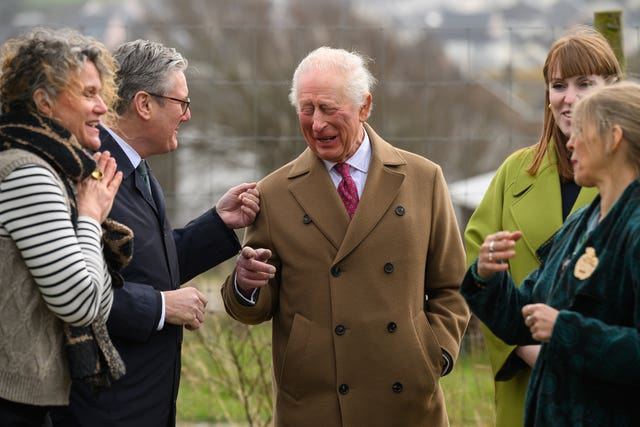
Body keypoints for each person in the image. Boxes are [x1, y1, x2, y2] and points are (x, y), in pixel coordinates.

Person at [221, 46, 470, 427]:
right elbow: (255, 307)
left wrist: (435, 355)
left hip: (407, 400)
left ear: (364, 106)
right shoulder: (273, 192)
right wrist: (245, 283)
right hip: (315, 403)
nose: (317, 124)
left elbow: (452, 286)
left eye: (329, 108)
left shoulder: (423, 178)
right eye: (306, 109)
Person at [50, 40, 260, 427]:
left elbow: (147, 265)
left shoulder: (137, 171)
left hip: (142, 404)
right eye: (181, 103)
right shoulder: (89, 173)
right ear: (144, 104)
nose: (188, 116)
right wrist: (162, 308)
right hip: (103, 411)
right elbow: (72, 290)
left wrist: (217, 222)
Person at [463, 27, 622, 427]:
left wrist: (571, 349)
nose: (569, 98)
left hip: (607, 391)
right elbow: (475, 264)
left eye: (585, 84)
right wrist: (523, 347)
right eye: (558, 85)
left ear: (614, 90)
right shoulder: (513, 172)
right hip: (526, 385)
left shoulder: (629, 186)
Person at [0, 27, 125, 426]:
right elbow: (81, 303)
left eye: (100, 94)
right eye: (88, 94)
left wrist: (89, 215)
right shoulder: (28, 174)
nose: (102, 108)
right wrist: (91, 218)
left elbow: (97, 305)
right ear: (45, 102)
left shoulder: (57, 174)